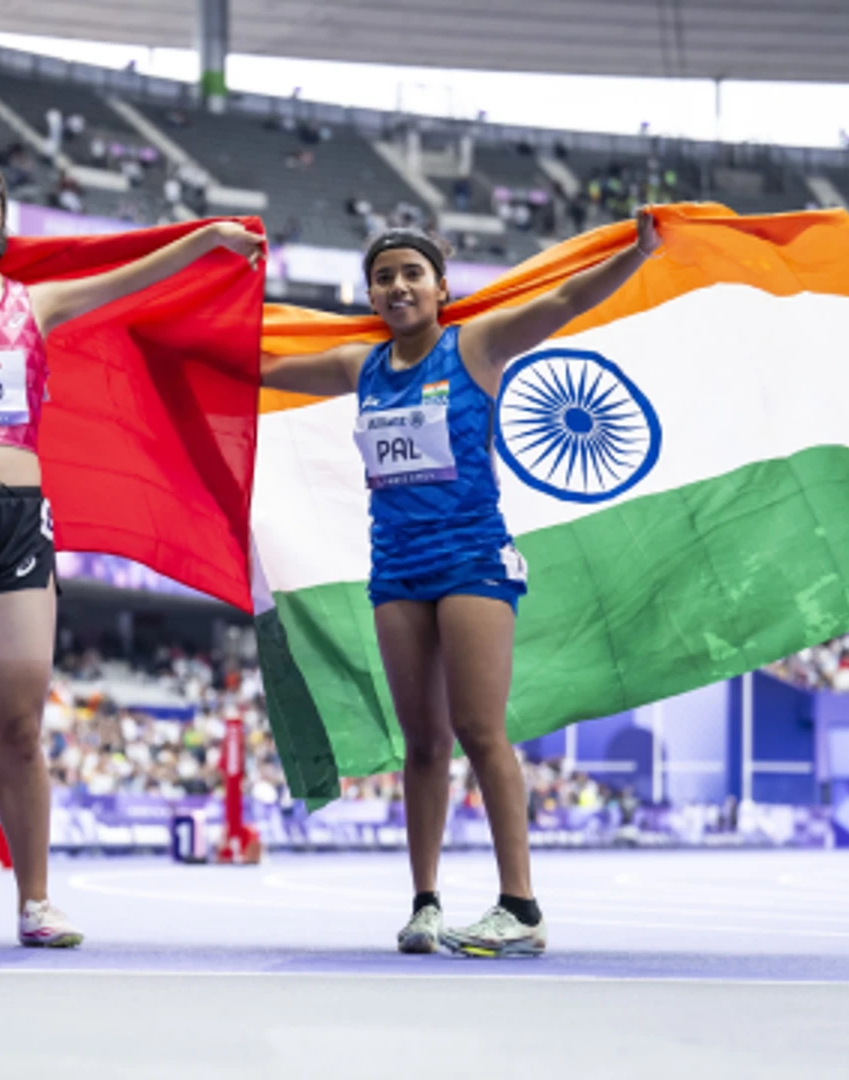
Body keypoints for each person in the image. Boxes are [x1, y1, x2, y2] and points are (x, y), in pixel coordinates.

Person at [0, 147, 262, 949]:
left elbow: (136, 272)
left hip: (12, 526)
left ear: (3, 217)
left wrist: (209, 237)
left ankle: (35, 901)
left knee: (20, 730)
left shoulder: (35, 305)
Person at [259, 211, 663, 957]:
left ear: (441, 288)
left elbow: (565, 302)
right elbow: (257, 367)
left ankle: (522, 908)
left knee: (481, 731)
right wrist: (169, 330)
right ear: (371, 295)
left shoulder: (476, 346)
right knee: (423, 743)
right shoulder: (360, 368)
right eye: (384, 278)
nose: (398, 285)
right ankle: (425, 904)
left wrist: (636, 253)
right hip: (397, 570)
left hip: (473, 560)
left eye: (412, 273)